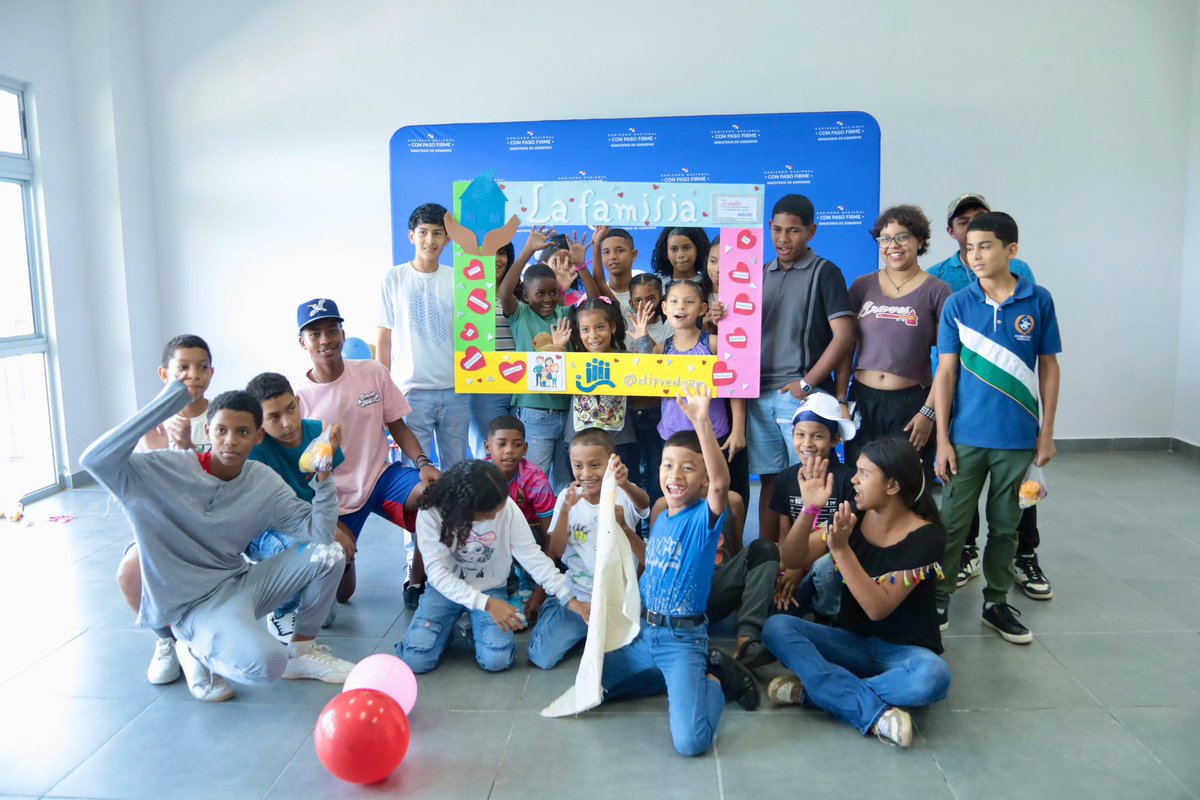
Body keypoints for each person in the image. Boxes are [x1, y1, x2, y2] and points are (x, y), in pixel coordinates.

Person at [82, 381, 357, 702]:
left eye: (242, 432)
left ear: (257, 437)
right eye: (221, 430)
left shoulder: (261, 479)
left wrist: (323, 480)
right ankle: (190, 646)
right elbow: (95, 460)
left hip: (238, 583)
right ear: (208, 431)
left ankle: (302, 652)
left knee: (328, 553)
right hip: (195, 608)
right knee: (268, 664)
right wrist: (172, 397)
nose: (230, 441)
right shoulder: (167, 468)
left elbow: (319, 533)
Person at [594, 386, 759, 758]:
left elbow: (721, 484)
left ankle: (715, 678)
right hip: (647, 633)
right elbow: (652, 559)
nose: (675, 474)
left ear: (702, 480)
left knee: (691, 742)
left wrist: (702, 422)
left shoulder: (705, 516)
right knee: (595, 684)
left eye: (688, 467)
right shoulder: (660, 513)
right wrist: (624, 528)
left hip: (683, 640)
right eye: (668, 465)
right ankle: (676, 683)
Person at [762, 438, 951, 747]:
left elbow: (877, 607)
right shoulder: (853, 515)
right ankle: (853, 698)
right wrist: (810, 510)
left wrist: (840, 548)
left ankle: (819, 692)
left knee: (933, 676)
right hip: (850, 642)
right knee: (777, 627)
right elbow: (792, 558)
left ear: (892, 486)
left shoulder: (926, 537)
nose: (853, 479)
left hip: (903, 653)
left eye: (864, 473)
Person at [934, 212, 1061, 643]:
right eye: (969, 247)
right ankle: (938, 599)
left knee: (1006, 526)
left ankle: (996, 601)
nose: (975, 255)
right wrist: (942, 440)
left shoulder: (1038, 300)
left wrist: (1046, 432)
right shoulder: (958, 304)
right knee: (952, 523)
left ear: (1011, 250)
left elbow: (1049, 367)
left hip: (1018, 441)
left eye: (984, 246)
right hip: (965, 439)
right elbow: (946, 375)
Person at [713, 195, 856, 541]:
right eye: (776, 230)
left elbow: (845, 336)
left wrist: (806, 384)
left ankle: (806, 559)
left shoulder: (826, 272)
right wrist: (719, 316)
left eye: (794, 231)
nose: (783, 239)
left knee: (810, 478)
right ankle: (769, 557)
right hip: (757, 393)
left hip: (800, 397)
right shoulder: (758, 273)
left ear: (811, 231)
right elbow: (738, 334)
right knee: (771, 483)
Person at [294, 298, 440, 607]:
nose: (325, 340)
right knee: (342, 595)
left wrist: (423, 463)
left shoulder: (372, 372)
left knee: (435, 497)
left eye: (332, 330)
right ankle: (343, 557)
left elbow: (397, 425)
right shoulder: (298, 399)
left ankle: (417, 581)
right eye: (315, 334)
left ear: (343, 335)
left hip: (381, 477)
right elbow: (302, 468)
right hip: (337, 499)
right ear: (302, 342)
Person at [395, 460, 587, 673]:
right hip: (444, 591)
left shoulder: (505, 506)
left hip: (489, 588)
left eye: (498, 510)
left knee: (498, 661)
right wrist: (486, 605)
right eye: (488, 515)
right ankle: (447, 626)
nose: (495, 517)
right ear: (465, 508)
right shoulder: (432, 512)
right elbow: (438, 574)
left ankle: (470, 626)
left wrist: (568, 598)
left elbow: (532, 556)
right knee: (415, 661)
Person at [116, 334, 215, 688]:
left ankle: (201, 639)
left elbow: (225, 486)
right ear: (164, 374)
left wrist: (185, 451)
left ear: (212, 372)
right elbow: (145, 496)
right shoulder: (148, 426)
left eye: (202, 367)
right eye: (183, 368)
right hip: (161, 529)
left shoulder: (222, 417)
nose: (194, 376)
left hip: (213, 527)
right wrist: (162, 450)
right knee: (129, 573)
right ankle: (166, 639)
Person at [841, 205, 951, 486]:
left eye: (902, 237)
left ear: (919, 240)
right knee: (861, 484)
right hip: (864, 400)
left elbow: (949, 362)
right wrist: (842, 399)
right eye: (885, 238)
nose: (893, 246)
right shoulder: (862, 286)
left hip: (911, 404)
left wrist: (928, 413)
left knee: (906, 485)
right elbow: (845, 346)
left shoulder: (938, 291)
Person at [528, 430, 649, 669]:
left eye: (595, 465)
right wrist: (564, 512)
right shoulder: (567, 496)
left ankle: (596, 631)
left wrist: (624, 484)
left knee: (635, 659)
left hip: (619, 598)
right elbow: (557, 550)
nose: (586, 474)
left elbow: (644, 505)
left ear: (612, 461)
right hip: (580, 596)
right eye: (578, 466)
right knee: (542, 657)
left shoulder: (623, 491)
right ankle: (559, 609)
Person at [498, 227, 602, 491]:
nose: (547, 299)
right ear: (525, 295)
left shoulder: (565, 312)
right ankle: (530, 530)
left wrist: (581, 267)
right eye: (540, 294)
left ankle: (556, 530)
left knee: (563, 482)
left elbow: (595, 302)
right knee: (534, 479)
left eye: (553, 293)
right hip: (533, 411)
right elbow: (504, 292)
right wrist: (527, 251)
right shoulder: (520, 314)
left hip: (567, 412)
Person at [244, 372, 346, 639]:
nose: (288, 423)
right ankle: (279, 610)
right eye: (274, 417)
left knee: (327, 617)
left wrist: (336, 527)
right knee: (294, 546)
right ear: (259, 423)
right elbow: (268, 514)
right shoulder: (254, 449)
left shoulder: (319, 434)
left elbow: (329, 490)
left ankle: (282, 585)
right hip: (266, 529)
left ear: (298, 401)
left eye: (291, 409)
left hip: (311, 523)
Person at [630, 279, 749, 502]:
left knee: (713, 489)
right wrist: (642, 338)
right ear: (664, 308)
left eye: (689, 301)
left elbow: (736, 383)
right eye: (674, 301)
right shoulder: (661, 349)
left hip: (713, 433)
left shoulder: (713, 343)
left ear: (702, 308)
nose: (680, 307)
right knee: (676, 491)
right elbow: (644, 376)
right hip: (671, 434)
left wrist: (738, 430)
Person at [377, 202, 470, 471]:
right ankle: (418, 516)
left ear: (448, 239)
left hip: (456, 390)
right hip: (411, 392)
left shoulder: (459, 279)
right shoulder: (393, 278)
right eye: (423, 232)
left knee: (457, 468)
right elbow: (384, 338)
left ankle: (455, 515)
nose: (430, 240)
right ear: (411, 236)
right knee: (413, 469)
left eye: (438, 233)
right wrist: (383, 390)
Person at [771, 394, 858, 622]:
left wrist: (799, 565)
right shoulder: (785, 479)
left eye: (817, 436)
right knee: (774, 610)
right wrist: (789, 566)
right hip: (794, 560)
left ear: (835, 439)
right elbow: (783, 534)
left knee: (826, 566)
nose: (807, 443)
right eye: (800, 434)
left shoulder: (849, 480)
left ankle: (827, 618)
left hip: (830, 563)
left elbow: (844, 536)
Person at [564, 297, 636, 465]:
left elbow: (648, 378)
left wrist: (642, 339)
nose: (593, 336)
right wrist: (559, 349)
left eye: (600, 327)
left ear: (612, 327)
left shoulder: (627, 359)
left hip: (619, 442)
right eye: (585, 330)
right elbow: (548, 377)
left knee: (622, 489)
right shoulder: (571, 360)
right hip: (578, 441)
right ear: (578, 333)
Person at [624, 272, 670, 513]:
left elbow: (659, 365)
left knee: (656, 477)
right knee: (630, 478)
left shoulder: (669, 325)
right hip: (627, 412)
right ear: (631, 302)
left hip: (657, 411)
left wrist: (644, 336)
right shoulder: (622, 323)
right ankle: (634, 533)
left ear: (661, 298)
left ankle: (655, 531)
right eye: (638, 300)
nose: (644, 305)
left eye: (651, 298)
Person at [469, 240, 517, 458]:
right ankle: (489, 494)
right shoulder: (466, 296)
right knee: (488, 453)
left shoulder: (522, 292)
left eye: (502, 253)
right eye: (489, 253)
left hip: (520, 385)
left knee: (518, 456)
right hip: (484, 386)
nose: (497, 259)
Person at [650, 227, 713, 298]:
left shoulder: (709, 285)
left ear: (698, 249)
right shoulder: (659, 287)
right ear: (666, 253)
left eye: (686, 248)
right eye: (674, 249)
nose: (680, 255)